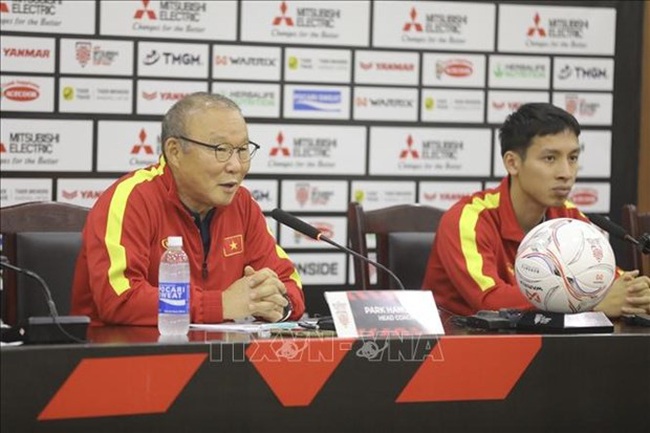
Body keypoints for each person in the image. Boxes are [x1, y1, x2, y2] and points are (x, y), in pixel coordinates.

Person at [71, 92, 305, 326]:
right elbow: (120, 299)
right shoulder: (131, 199)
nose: (235, 165)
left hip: (217, 356)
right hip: (124, 356)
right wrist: (220, 304)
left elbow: (288, 282)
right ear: (175, 151)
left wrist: (280, 305)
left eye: (243, 150)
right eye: (221, 149)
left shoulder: (242, 204)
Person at [422, 102, 650, 317]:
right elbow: (489, 301)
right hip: (462, 349)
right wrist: (590, 302)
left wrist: (638, 294)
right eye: (550, 158)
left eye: (572, 158)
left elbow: (612, 282)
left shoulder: (570, 217)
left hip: (544, 346)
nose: (566, 173)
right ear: (512, 163)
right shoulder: (468, 219)